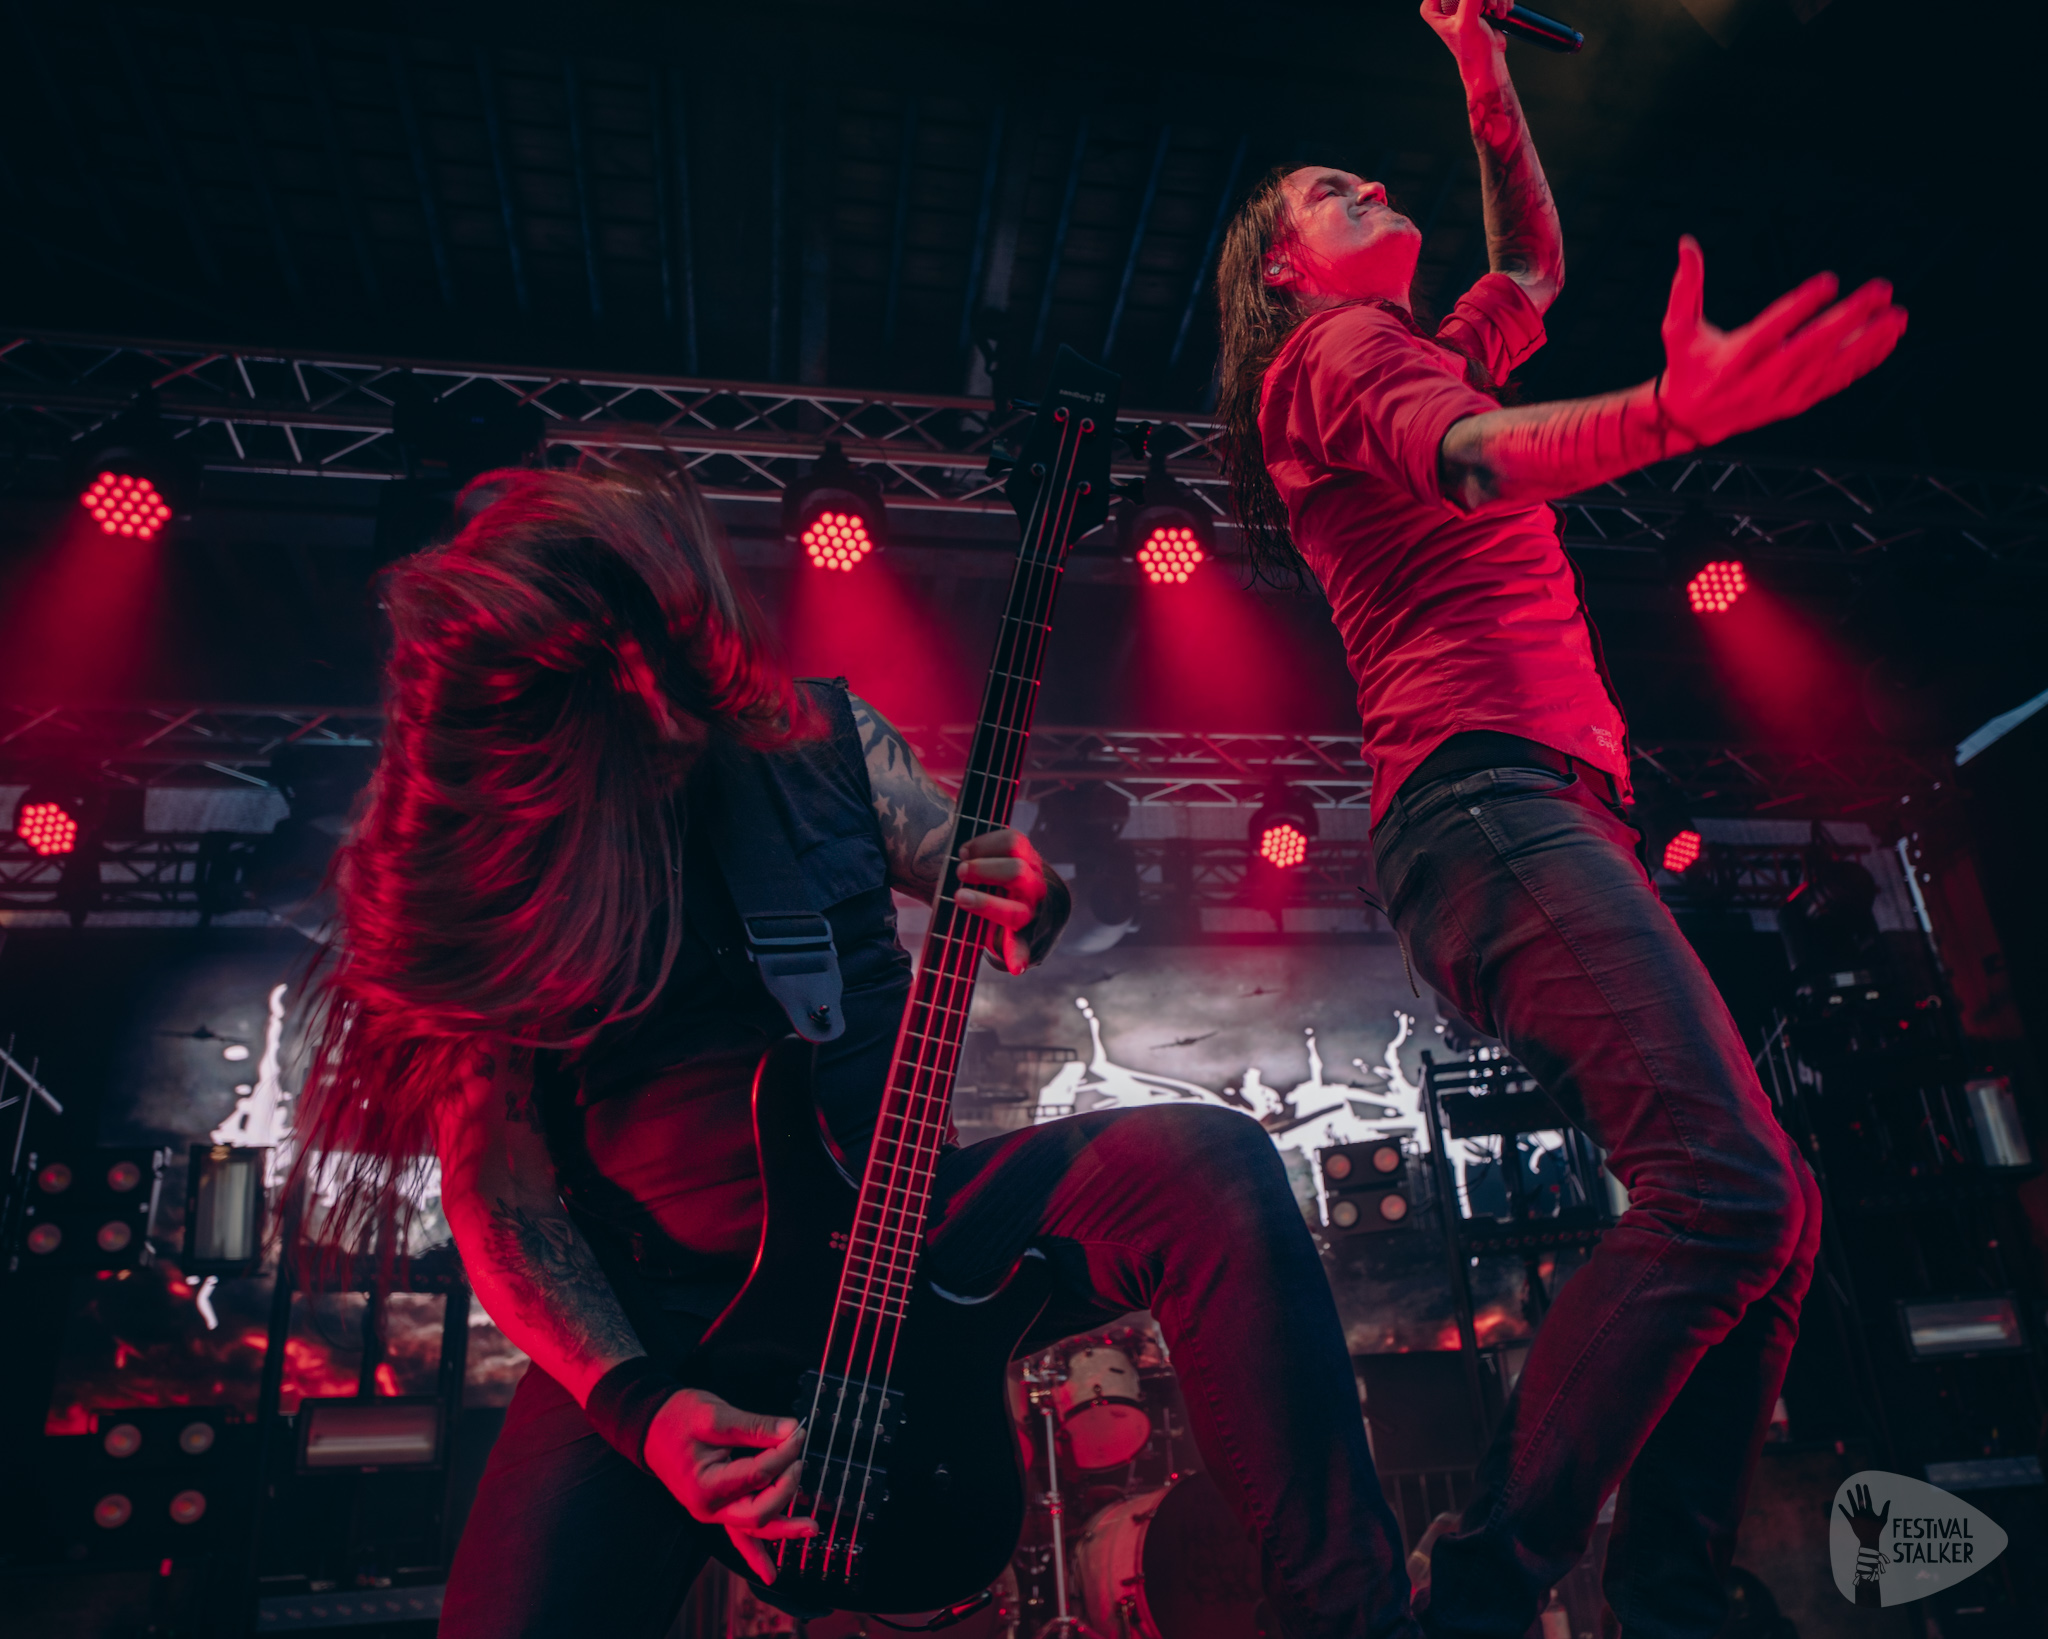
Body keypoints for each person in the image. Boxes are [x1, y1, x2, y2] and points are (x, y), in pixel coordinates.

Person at [293, 463, 1425, 1639]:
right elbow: (504, 1200)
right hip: (661, 1323)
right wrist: (640, 1409)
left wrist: (1027, 891)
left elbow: (971, 863)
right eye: (627, 701)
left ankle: (1354, 1622)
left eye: (673, 676)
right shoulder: (484, 863)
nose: (669, 723)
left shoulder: (820, 742)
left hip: (901, 1234)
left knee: (1211, 1170)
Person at [1212, 1, 1908, 1635]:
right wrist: (1671, 415)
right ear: (1282, 272)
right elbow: (1471, 462)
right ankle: (1479, 1592)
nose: (1366, 185)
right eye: (1328, 191)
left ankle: (1668, 1589)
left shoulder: (1416, 343)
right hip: (1482, 806)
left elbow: (1530, 266)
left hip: (1532, 812)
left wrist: (1480, 68)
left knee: (1771, 1204)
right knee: (1725, 1189)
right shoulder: (1330, 358)